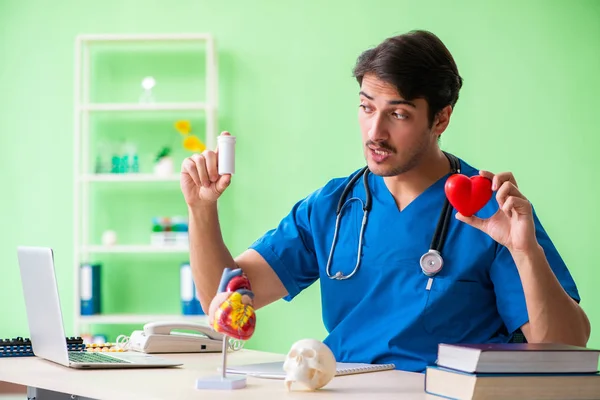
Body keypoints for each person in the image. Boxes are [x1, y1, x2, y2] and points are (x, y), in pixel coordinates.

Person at [179, 30, 591, 373]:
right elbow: (226, 296)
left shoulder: (489, 210)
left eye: (398, 114)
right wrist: (201, 210)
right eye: (366, 107)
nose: (374, 132)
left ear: (441, 119)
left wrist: (525, 251)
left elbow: (564, 346)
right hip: (343, 388)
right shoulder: (332, 207)